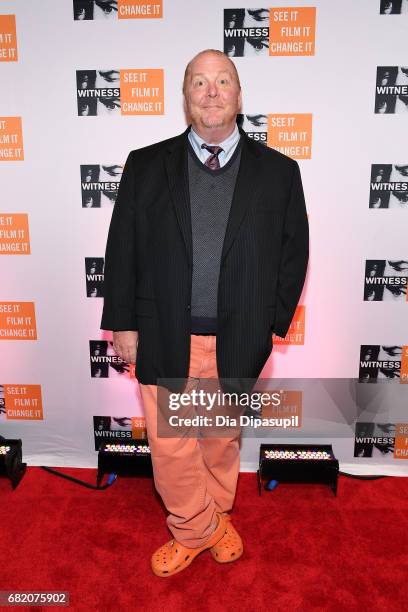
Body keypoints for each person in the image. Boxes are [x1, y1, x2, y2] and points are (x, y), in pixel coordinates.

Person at [101, 49, 309, 577]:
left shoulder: (280, 172)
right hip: (162, 331)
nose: (212, 91)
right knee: (171, 445)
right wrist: (123, 323)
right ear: (186, 98)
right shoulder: (146, 164)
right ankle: (198, 529)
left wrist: (270, 327)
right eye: (200, 82)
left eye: (223, 81)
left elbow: (293, 252)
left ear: (239, 96)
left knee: (219, 442)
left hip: (238, 336)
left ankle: (214, 515)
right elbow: (122, 247)